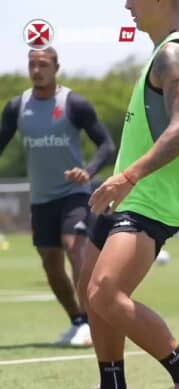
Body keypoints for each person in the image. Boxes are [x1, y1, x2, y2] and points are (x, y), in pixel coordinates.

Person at [58, 1, 179, 389]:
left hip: (150, 199)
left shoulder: (174, 54)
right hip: (128, 195)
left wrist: (127, 176)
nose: (126, 3)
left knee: (106, 291)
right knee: (88, 285)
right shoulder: (164, 51)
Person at [0, 47, 116, 346]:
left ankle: (93, 322)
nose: (37, 70)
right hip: (41, 199)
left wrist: (87, 172)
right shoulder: (16, 107)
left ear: (56, 67)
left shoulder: (73, 103)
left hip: (73, 193)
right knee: (51, 264)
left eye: (43, 64)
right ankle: (78, 321)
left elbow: (106, 145)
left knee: (74, 247)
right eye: (32, 64)